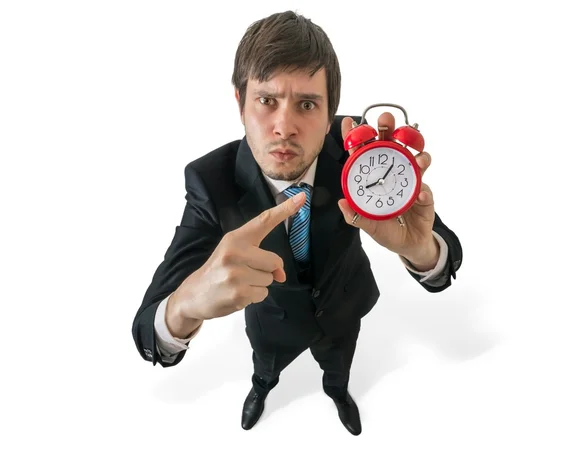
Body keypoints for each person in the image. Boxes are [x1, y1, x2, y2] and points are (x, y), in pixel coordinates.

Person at [132, 10, 462, 436]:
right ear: (240, 103)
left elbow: (444, 255)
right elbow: (148, 329)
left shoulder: (362, 161)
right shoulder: (210, 182)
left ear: (330, 117)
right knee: (265, 370)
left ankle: (339, 394)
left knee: (338, 367)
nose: (284, 127)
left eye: (307, 104)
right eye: (266, 100)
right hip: (272, 323)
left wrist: (421, 252)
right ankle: (261, 389)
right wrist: (185, 305)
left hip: (345, 307)